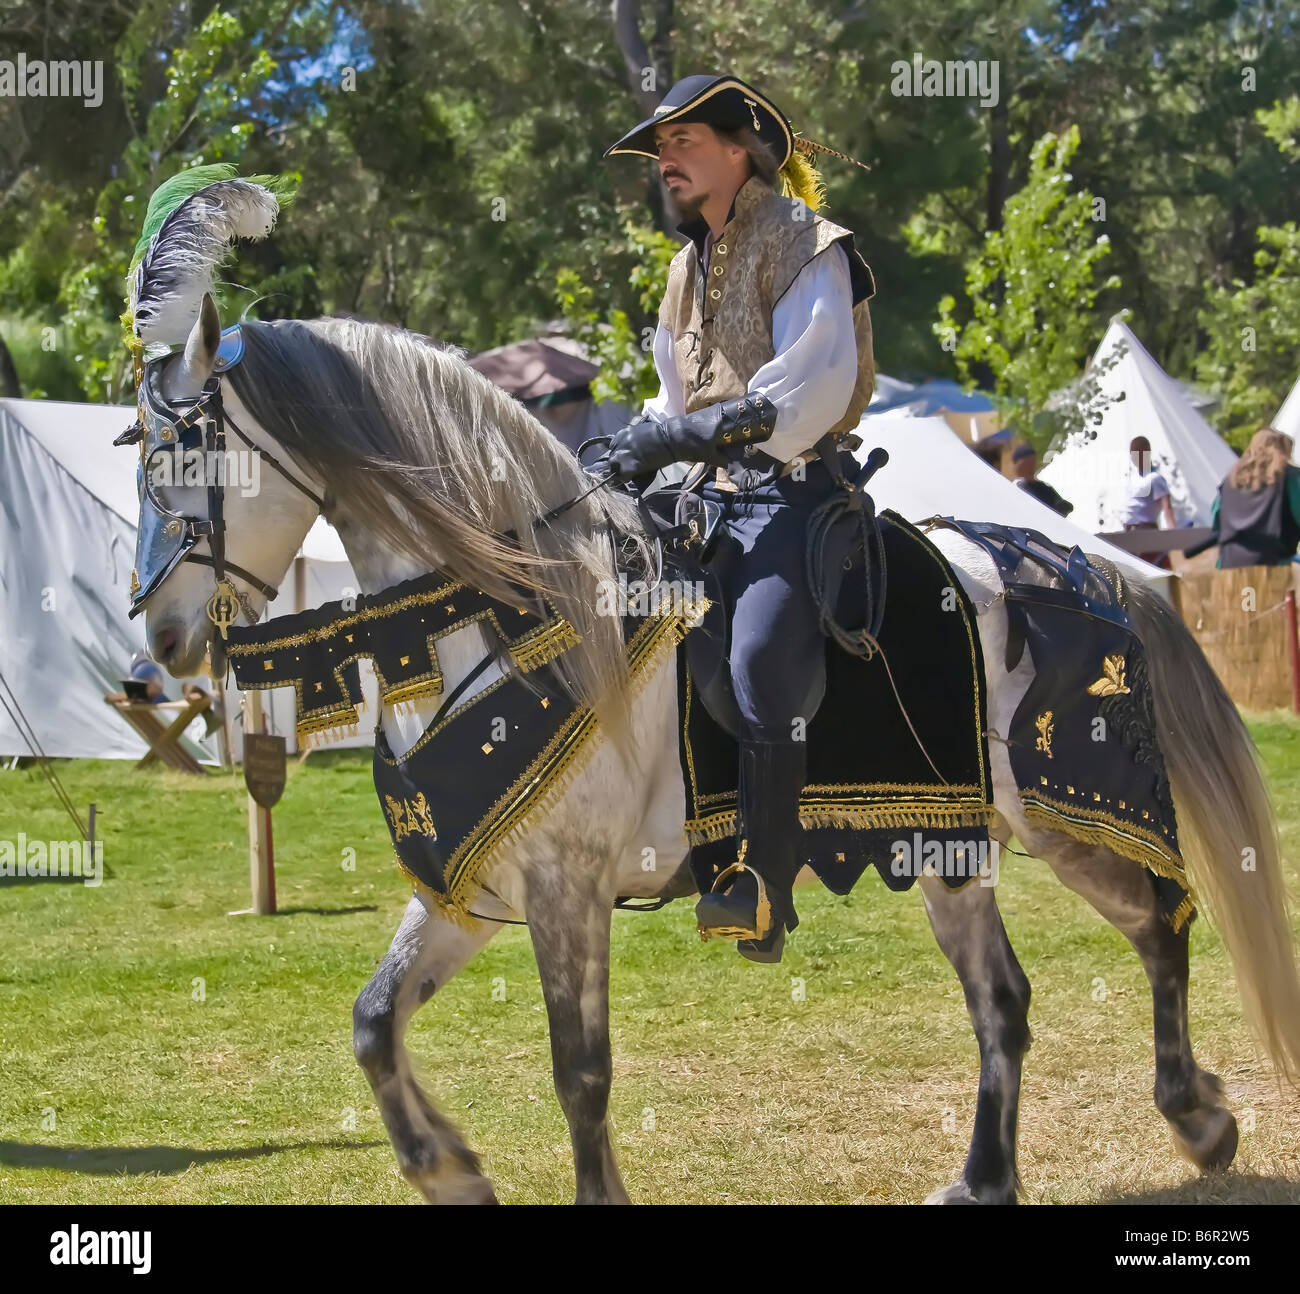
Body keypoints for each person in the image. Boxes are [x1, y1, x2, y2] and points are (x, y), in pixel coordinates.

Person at [594, 73, 876, 962]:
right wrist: (618, 453)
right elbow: (673, 397)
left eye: (682, 142)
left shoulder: (805, 241)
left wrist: (679, 435)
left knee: (755, 661)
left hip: (793, 493)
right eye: (660, 148)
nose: (665, 160)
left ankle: (763, 880)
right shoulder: (685, 268)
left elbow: (810, 386)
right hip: (706, 502)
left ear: (740, 147)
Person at [1187, 427, 1300, 569]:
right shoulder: (1291, 478)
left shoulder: (1231, 480)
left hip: (1229, 566)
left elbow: (1216, 519)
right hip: (1272, 567)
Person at [1117, 435, 1175, 568]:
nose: (1133, 456)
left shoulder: (1155, 478)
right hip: (1130, 533)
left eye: (1137, 451)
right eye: (1132, 452)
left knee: (1150, 569)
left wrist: (1173, 532)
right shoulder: (1133, 479)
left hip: (1146, 532)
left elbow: (1167, 505)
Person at [1010, 443, 1072, 516]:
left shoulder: (1045, 488)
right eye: (1025, 464)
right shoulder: (1014, 487)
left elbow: (1066, 508)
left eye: (1031, 463)